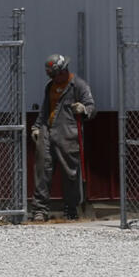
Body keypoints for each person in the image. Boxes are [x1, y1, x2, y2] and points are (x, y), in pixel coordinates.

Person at [29, 54, 95, 222]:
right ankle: (40, 210)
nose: (53, 78)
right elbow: (44, 110)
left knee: (70, 173)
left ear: (63, 70)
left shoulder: (78, 85)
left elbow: (92, 107)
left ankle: (71, 209)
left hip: (68, 135)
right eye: (50, 75)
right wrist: (37, 127)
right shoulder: (50, 87)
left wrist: (84, 109)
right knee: (43, 171)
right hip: (47, 132)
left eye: (54, 74)